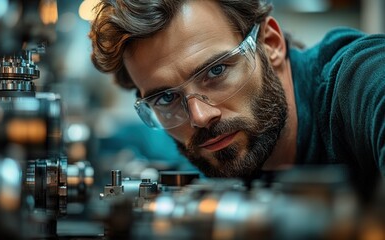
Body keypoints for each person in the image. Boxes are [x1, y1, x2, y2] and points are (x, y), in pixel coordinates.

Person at [89, 0, 385, 197]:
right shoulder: (205, 154)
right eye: (166, 98)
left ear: (270, 44)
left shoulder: (359, 80)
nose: (200, 117)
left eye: (216, 71)